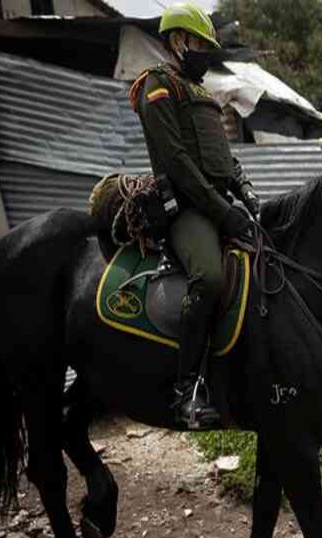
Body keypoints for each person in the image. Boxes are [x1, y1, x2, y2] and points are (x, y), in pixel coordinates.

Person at [130, 3, 261, 429]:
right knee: (209, 277)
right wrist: (222, 212)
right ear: (177, 41)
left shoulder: (204, 95)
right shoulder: (157, 85)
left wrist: (246, 193)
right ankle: (186, 390)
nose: (206, 53)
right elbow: (177, 161)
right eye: (201, 44)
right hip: (187, 209)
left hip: (219, 204)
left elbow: (223, 157)